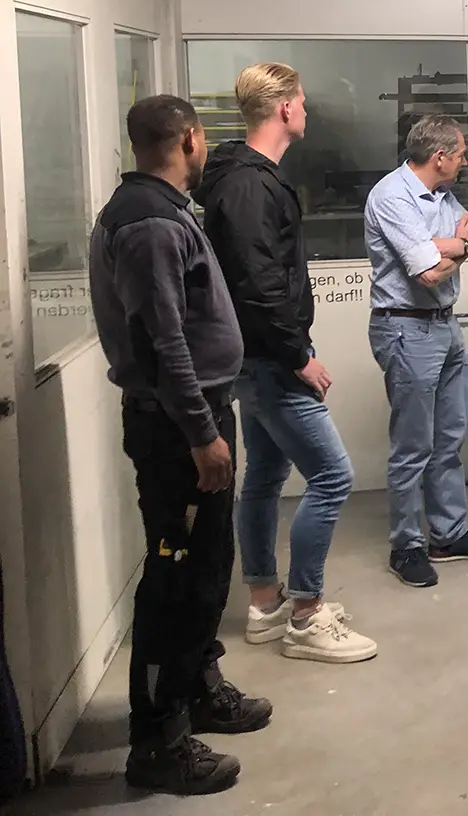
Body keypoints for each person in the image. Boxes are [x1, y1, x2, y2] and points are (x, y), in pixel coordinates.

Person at [88, 96, 271, 795]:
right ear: (190, 139)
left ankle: (197, 689)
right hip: (177, 432)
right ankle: (158, 742)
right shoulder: (149, 224)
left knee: (205, 568)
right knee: (175, 580)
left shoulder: (160, 211)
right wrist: (201, 433)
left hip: (195, 420)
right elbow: (161, 342)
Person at [196, 63, 376, 664]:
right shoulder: (250, 185)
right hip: (272, 360)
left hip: (255, 357)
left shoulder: (244, 177)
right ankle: (304, 614)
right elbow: (257, 283)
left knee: (266, 477)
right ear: (285, 109)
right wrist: (298, 355)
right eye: (301, 100)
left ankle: (265, 604)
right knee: (332, 477)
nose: (306, 110)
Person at [365, 114, 468, 588]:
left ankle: (448, 535)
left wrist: (452, 246)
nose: (464, 162)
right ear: (440, 157)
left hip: (444, 326)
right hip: (406, 330)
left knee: (448, 437)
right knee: (413, 446)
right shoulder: (392, 196)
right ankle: (406, 546)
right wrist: (462, 245)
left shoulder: (444, 196)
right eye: (460, 154)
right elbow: (426, 272)